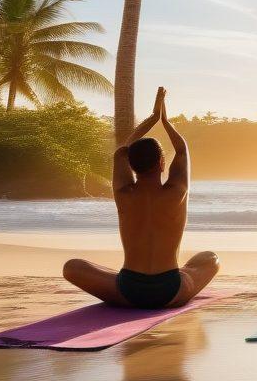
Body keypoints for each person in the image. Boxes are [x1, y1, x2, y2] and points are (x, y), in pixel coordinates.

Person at [63, 87, 220, 308]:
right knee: (210, 259)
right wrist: (163, 120)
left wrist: (151, 119)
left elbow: (121, 151)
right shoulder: (177, 191)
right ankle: (179, 282)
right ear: (162, 163)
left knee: (72, 267)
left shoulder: (122, 192)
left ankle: (126, 288)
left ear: (131, 164)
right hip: (171, 290)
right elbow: (182, 151)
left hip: (128, 290)